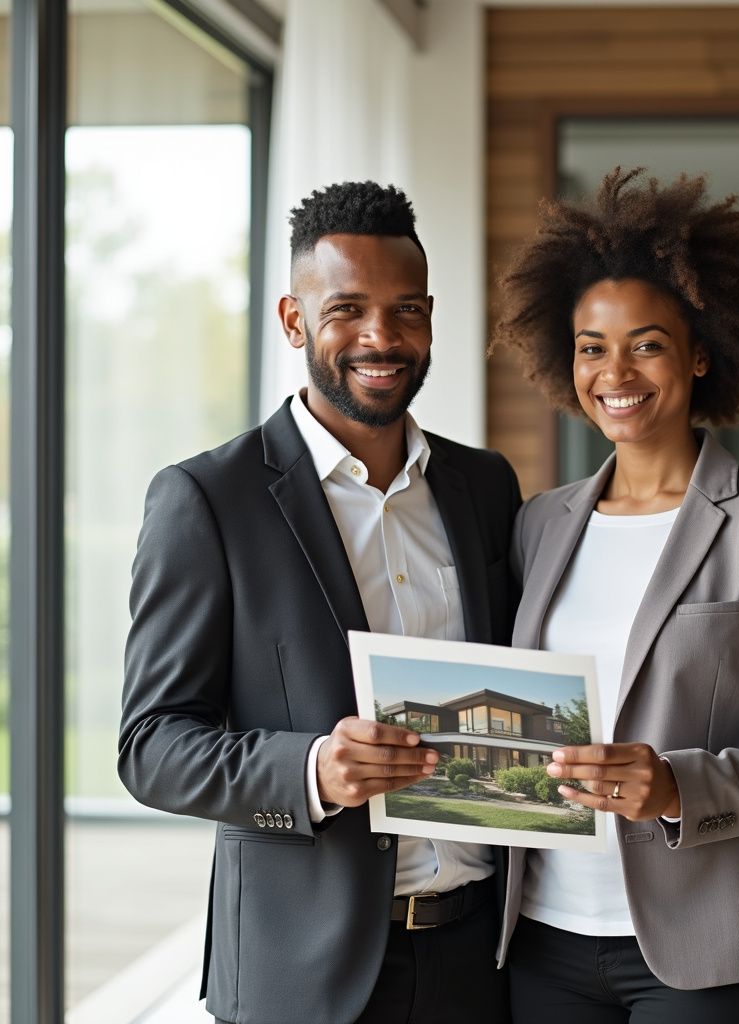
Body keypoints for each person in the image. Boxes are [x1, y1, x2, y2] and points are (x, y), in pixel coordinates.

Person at [119, 181, 520, 1024]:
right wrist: (311, 772)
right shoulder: (207, 498)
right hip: (301, 975)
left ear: (432, 317)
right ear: (295, 320)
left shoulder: (484, 486)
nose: (381, 337)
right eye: (348, 309)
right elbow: (151, 745)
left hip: (480, 959)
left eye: (406, 310)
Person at [489, 168, 739, 1024]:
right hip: (542, 934)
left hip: (710, 943)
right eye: (591, 346)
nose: (615, 371)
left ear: (699, 353)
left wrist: (675, 788)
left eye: (647, 343)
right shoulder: (540, 525)